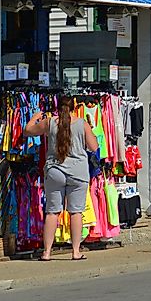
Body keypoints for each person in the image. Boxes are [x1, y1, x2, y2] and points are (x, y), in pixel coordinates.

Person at [24, 96, 98, 262]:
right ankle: (76, 251)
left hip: (54, 171)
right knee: (75, 212)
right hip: (78, 172)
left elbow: (27, 130)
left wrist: (36, 116)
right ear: (74, 108)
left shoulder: (50, 123)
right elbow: (94, 147)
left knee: (52, 212)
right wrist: (89, 132)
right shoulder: (81, 123)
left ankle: (47, 253)